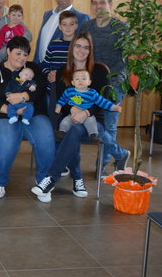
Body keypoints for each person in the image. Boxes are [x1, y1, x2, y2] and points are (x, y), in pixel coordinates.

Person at [31, 32, 130, 202]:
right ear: (72, 48)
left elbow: (102, 100)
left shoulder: (99, 70)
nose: (81, 50)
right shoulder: (63, 71)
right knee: (74, 129)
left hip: (94, 122)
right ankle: (77, 180)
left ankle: (51, 179)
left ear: (91, 50)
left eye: (86, 47)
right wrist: (74, 111)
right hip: (71, 119)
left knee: (74, 130)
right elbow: (63, 101)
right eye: (78, 46)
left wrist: (86, 113)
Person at [0, 36, 55, 199]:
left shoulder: (33, 68)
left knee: (45, 136)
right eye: (18, 53)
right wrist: (11, 110)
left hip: (33, 113)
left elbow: (40, 89)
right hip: (3, 114)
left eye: (25, 55)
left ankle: (44, 182)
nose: (22, 58)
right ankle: (0, 181)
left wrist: (24, 96)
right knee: (7, 140)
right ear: (8, 51)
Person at [80, 0, 129, 168]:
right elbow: (81, 53)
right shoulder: (86, 27)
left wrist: (108, 84)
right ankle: (120, 154)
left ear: (110, 4)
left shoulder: (121, 28)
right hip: (89, 83)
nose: (98, 6)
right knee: (88, 122)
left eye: (102, 2)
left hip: (113, 84)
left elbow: (124, 61)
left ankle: (103, 163)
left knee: (109, 125)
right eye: (95, 2)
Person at [55, 69, 122, 140]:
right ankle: (62, 132)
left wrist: (113, 107)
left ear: (89, 82)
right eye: (77, 79)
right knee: (65, 121)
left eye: (84, 79)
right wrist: (58, 106)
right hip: (72, 115)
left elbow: (102, 102)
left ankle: (93, 135)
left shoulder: (92, 93)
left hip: (87, 115)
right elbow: (62, 99)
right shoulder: (69, 91)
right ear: (73, 82)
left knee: (91, 122)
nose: (80, 81)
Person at [34, 0, 90, 64]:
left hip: (64, 70)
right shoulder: (47, 15)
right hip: (41, 68)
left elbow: (84, 49)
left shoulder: (82, 18)